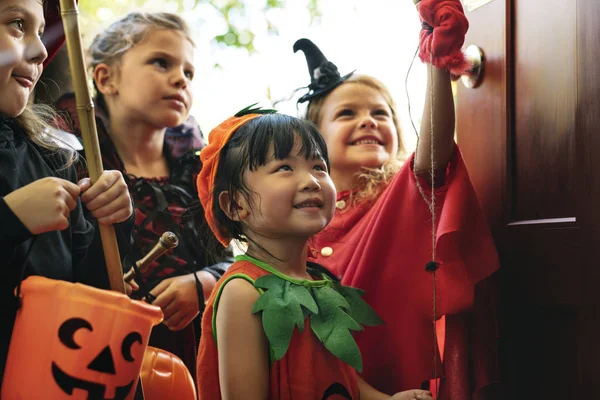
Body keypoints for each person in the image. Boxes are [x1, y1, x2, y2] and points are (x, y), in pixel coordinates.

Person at [292, 0, 500, 398]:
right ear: (312, 138)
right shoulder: (295, 215)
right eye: (347, 113)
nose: (368, 120)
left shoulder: (401, 195)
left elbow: (434, 159)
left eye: (381, 113)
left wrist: (437, 63)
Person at [194, 107, 434, 400]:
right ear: (235, 205)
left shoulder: (320, 281)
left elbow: (341, 378)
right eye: (284, 168)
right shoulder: (243, 292)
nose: (311, 180)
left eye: (319, 166)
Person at [55, 11, 232, 379]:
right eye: (161, 62)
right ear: (106, 78)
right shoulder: (70, 159)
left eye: (188, 72)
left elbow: (233, 259)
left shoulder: (198, 169)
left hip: (198, 358)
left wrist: (205, 283)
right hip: (101, 354)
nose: (180, 79)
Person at [0, 0, 134, 384]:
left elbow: (88, 296)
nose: (41, 49)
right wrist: (9, 220)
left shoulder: (52, 159)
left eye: (41, 31)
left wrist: (113, 223)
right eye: (16, 24)